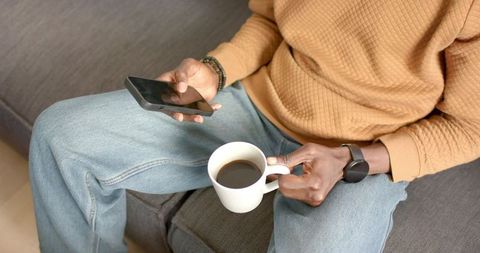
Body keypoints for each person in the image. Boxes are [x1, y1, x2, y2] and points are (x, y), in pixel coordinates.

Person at [29, 0, 480, 252]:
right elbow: (271, 20)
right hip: (258, 102)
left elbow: (468, 127)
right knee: (62, 137)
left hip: (360, 152)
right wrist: (214, 71)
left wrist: (355, 160)